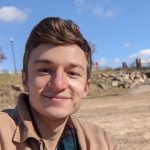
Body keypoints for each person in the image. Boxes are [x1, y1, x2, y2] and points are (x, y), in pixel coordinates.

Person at [0, 17, 116, 150]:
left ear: (85, 88)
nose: (58, 84)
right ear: (25, 80)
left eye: (72, 73)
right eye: (45, 70)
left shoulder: (101, 142)